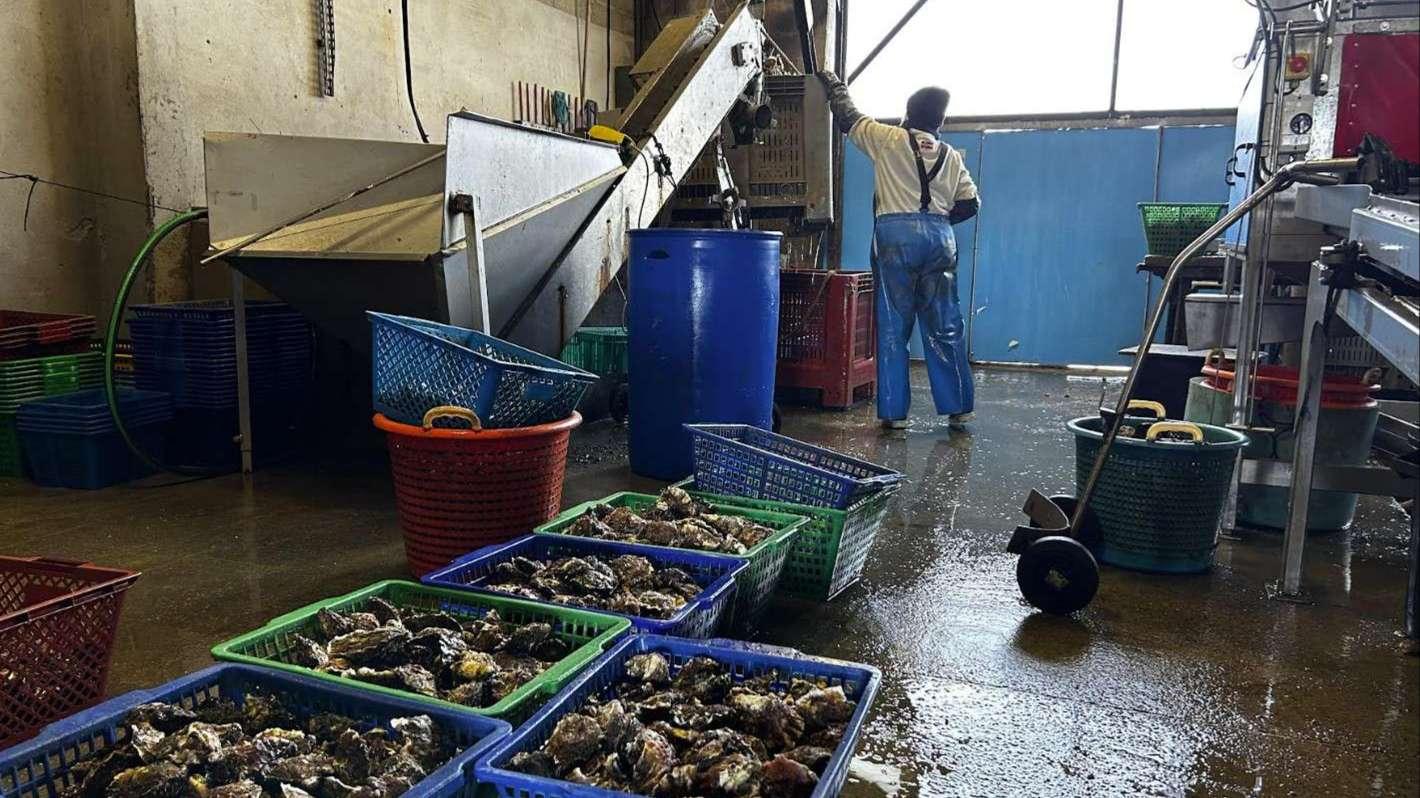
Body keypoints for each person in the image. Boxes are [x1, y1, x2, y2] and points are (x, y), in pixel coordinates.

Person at [818, 71, 980, 430]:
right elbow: (971, 204)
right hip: (940, 240)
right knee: (945, 325)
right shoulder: (951, 156)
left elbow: (848, 116)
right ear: (940, 122)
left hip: (895, 238)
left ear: (907, 115)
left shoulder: (888, 139)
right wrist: (935, 226)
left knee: (893, 325)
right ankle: (959, 408)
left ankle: (895, 415)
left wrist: (833, 85)